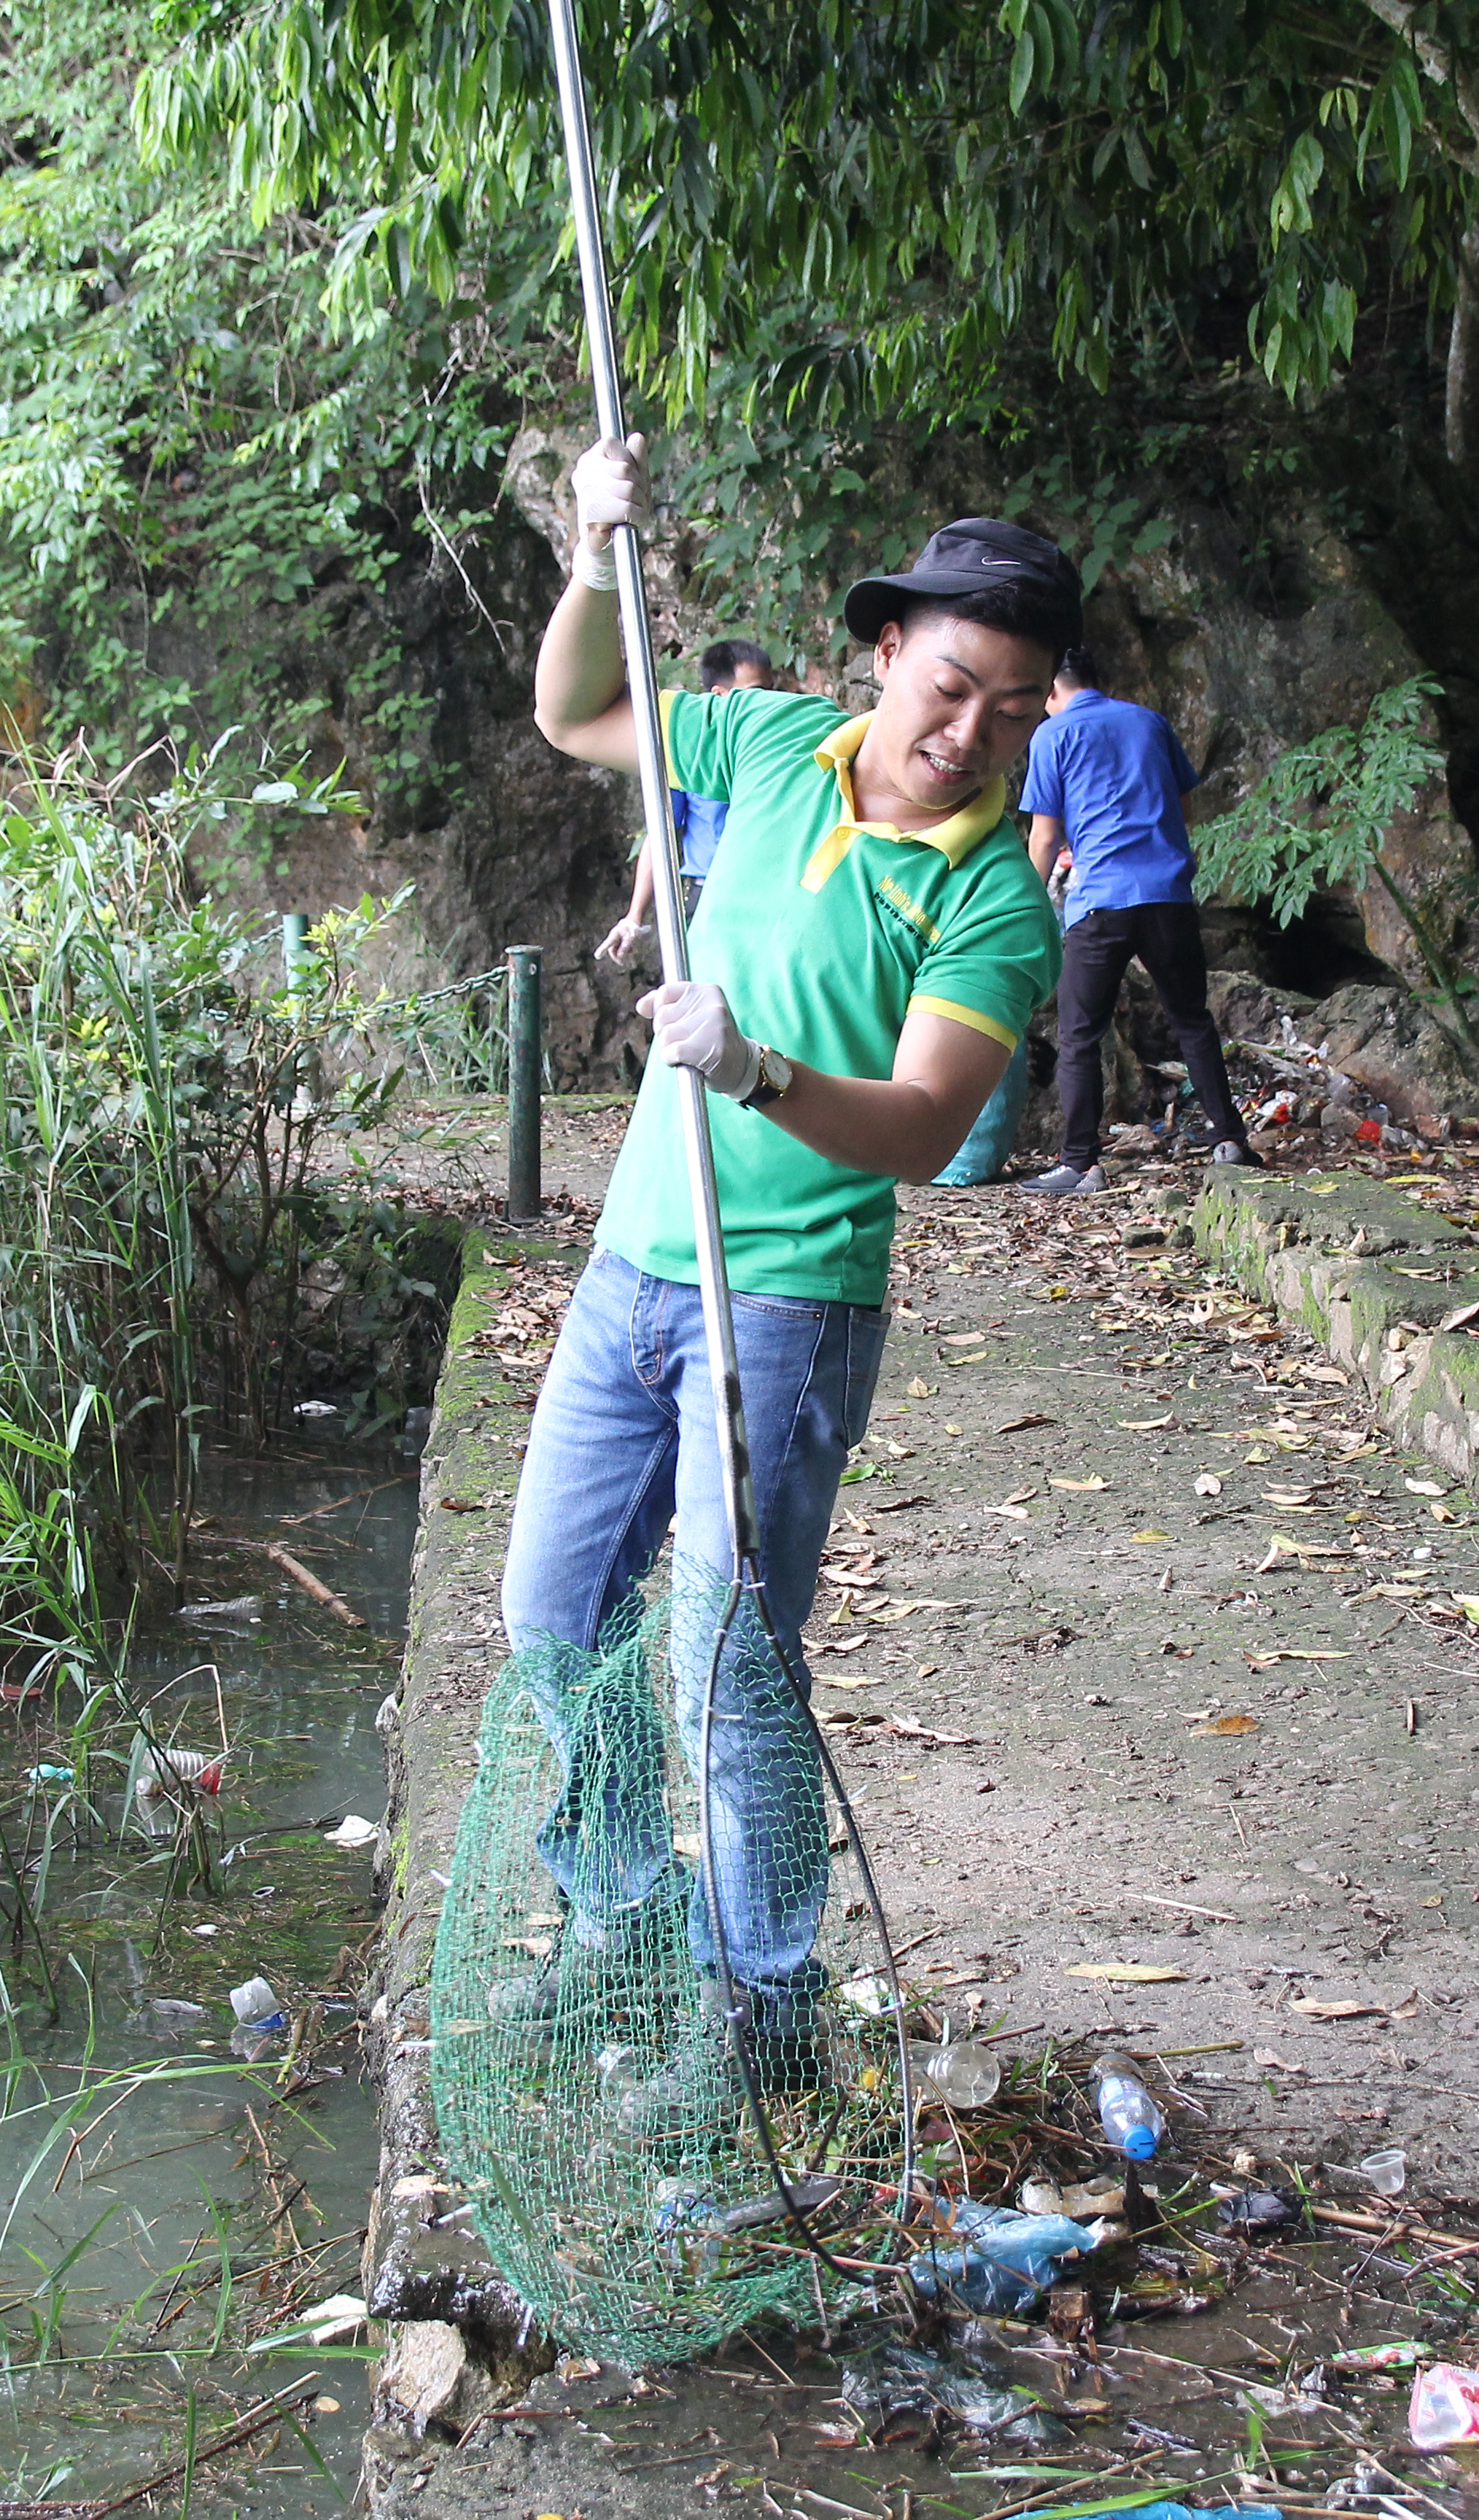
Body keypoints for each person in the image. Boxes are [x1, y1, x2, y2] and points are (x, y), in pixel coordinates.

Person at [492, 432, 1072, 2090]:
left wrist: (752, 1067)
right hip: (631, 1263)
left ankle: (763, 2006)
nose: (971, 730)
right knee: (552, 1613)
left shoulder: (988, 903)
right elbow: (574, 711)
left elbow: (917, 1128)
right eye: (953, 684)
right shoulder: (764, 739)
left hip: (791, 1300)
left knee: (722, 1663)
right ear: (886, 651)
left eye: (1013, 704)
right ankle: (612, 1922)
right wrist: (597, 557)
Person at [1015, 651, 1258, 1193]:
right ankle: (1229, 1140)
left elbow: (1045, 837)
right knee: (1192, 1019)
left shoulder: (1052, 736)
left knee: (1079, 1035)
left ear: (1051, 692)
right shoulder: (1149, 722)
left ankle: (1081, 1163)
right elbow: (1183, 810)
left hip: (1100, 902)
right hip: (1167, 896)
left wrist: (1031, 905)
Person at [597, 640, 777, 965]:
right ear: (718, 695)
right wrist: (634, 917)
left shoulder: (779, 743)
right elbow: (662, 832)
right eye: (754, 692)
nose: (766, 702)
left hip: (768, 891)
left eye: (770, 691)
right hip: (710, 894)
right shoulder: (689, 753)